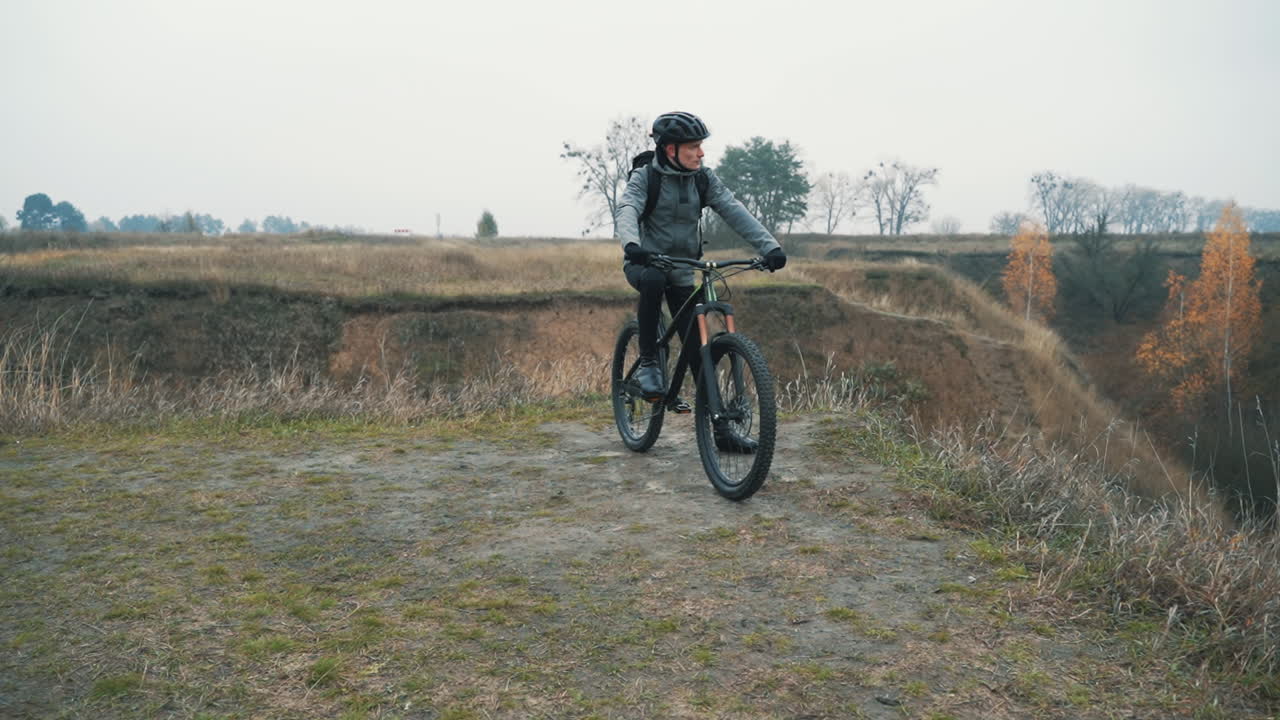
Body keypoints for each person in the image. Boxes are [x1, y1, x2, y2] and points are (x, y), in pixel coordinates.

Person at [614, 111, 786, 450]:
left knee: (698, 350)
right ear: (670, 149)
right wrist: (632, 245)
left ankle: (721, 431)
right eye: (693, 147)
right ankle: (649, 362)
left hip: (683, 269)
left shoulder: (702, 179)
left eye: (700, 146)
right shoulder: (646, 177)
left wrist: (770, 247)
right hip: (644, 262)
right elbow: (628, 209)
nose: (701, 153)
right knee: (653, 280)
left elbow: (733, 209)